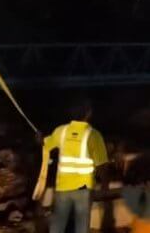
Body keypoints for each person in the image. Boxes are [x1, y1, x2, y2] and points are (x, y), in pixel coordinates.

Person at [42, 100, 108, 233]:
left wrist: (39, 138)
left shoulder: (61, 131)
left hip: (63, 188)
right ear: (88, 113)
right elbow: (102, 164)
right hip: (84, 188)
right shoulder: (94, 135)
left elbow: (46, 144)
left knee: (58, 226)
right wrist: (104, 185)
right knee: (81, 227)